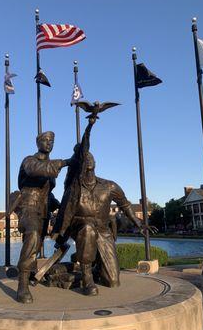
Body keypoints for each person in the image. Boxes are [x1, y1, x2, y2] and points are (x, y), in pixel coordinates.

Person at [53, 119, 150, 296]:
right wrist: (89, 126)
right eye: (85, 157)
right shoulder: (74, 188)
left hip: (103, 231)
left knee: (113, 281)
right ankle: (87, 277)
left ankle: (96, 267)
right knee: (88, 229)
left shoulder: (109, 186)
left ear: (96, 162)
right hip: (81, 228)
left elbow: (125, 205)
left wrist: (139, 224)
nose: (88, 158)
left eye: (91, 156)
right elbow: (65, 213)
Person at [14, 131, 69, 303]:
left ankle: (37, 273)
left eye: (51, 141)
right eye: (45, 140)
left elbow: (48, 193)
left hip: (44, 209)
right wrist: (65, 162)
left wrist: (62, 206)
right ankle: (22, 285)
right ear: (38, 143)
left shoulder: (49, 166)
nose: (48, 143)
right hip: (28, 206)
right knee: (33, 235)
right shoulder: (29, 161)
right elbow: (36, 171)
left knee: (38, 246)